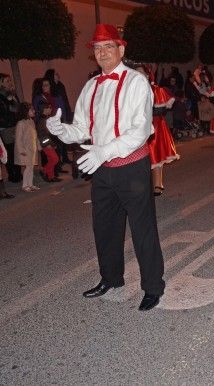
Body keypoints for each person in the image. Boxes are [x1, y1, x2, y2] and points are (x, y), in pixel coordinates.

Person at [46, 24, 165, 311]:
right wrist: (61, 130)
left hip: (132, 167)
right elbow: (82, 129)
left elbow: (140, 131)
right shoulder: (90, 87)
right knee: (104, 228)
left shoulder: (137, 83)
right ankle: (111, 278)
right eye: (97, 49)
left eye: (108, 46)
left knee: (142, 229)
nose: (102, 53)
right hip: (101, 168)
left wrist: (105, 151)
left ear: (121, 49)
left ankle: (153, 287)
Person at [135, 65, 179, 197]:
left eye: (141, 73)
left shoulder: (157, 90)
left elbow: (162, 110)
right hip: (137, 127)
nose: (138, 75)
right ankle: (142, 185)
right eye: (136, 73)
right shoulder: (131, 90)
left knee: (156, 154)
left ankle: (158, 184)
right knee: (138, 158)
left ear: (148, 76)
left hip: (156, 126)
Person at [0, 73, 22, 182]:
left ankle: (18, 174)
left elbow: (18, 108)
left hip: (14, 125)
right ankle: (13, 175)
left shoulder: (11, 94)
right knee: (9, 151)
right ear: (1, 83)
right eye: (7, 81)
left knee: (16, 150)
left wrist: (13, 97)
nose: (10, 83)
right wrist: (9, 100)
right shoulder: (1, 96)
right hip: (5, 127)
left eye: (10, 80)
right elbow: (6, 111)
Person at [15, 102, 41, 192]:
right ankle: (25, 185)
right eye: (32, 110)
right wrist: (21, 149)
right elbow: (18, 139)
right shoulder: (21, 123)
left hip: (32, 148)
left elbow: (35, 134)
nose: (34, 111)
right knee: (28, 168)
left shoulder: (31, 121)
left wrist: (38, 144)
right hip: (25, 149)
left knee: (31, 167)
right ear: (25, 111)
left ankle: (30, 184)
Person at [37, 103, 61, 182]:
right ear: (45, 109)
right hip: (46, 144)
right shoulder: (42, 120)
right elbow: (42, 135)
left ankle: (51, 176)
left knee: (51, 159)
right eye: (49, 108)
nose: (51, 110)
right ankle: (44, 171)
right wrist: (47, 144)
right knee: (55, 159)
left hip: (50, 143)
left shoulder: (46, 118)